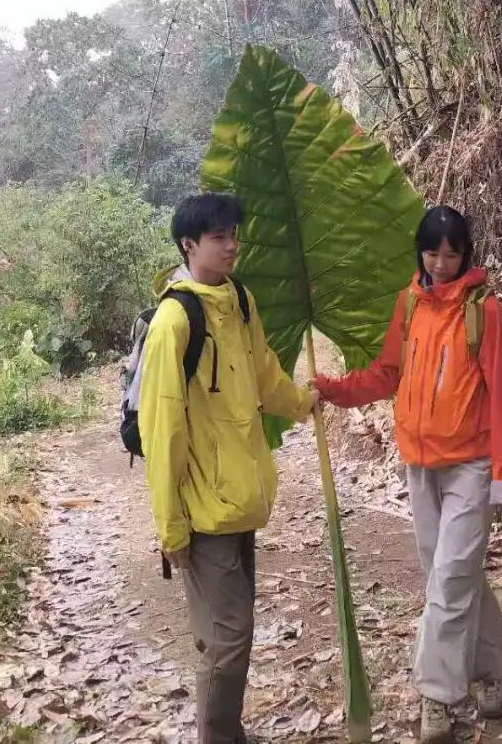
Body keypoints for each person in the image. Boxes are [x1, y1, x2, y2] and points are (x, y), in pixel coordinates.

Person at [314, 205, 502, 744]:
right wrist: (332, 390)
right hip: (419, 464)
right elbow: (387, 374)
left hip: (471, 465)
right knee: (452, 575)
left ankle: (437, 696)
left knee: (449, 579)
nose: (442, 264)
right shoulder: (409, 303)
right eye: (432, 253)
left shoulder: (484, 311)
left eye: (452, 254)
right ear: (420, 253)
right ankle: (494, 669)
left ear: (466, 254)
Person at [138, 192, 315, 744]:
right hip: (203, 510)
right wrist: (170, 528)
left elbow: (264, 374)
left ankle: (228, 732)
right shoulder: (174, 321)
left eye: (234, 234)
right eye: (219, 237)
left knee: (229, 633)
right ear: (188, 245)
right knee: (228, 637)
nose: (232, 245)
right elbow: (161, 432)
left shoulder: (238, 299)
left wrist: (304, 402)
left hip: (241, 497)